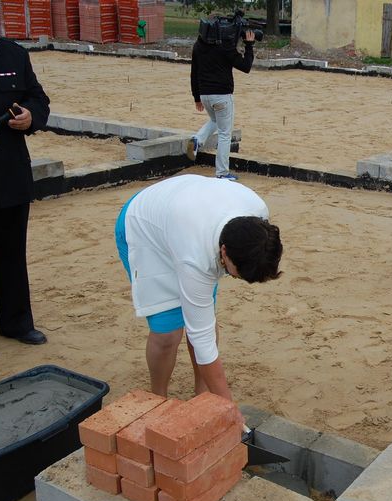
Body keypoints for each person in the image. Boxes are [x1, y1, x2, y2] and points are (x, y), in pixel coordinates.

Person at [115, 174, 283, 428]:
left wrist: (217, 402)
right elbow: (203, 340)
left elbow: (201, 326)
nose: (231, 278)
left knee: (202, 318)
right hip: (145, 227)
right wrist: (230, 409)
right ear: (224, 252)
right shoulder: (196, 258)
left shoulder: (257, 214)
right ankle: (158, 399)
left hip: (185, 216)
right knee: (167, 331)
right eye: (232, 273)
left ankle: (203, 397)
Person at [0, 0, 50, 364]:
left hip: (10, 176)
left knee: (11, 255)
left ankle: (17, 323)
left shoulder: (11, 53)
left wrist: (31, 116)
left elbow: (37, 97)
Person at [187, 25, 255, 181]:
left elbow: (194, 72)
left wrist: (196, 97)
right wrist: (249, 45)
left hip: (205, 94)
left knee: (214, 120)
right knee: (225, 134)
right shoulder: (225, 47)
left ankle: (197, 139)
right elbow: (246, 66)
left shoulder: (198, 46)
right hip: (222, 95)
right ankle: (222, 173)